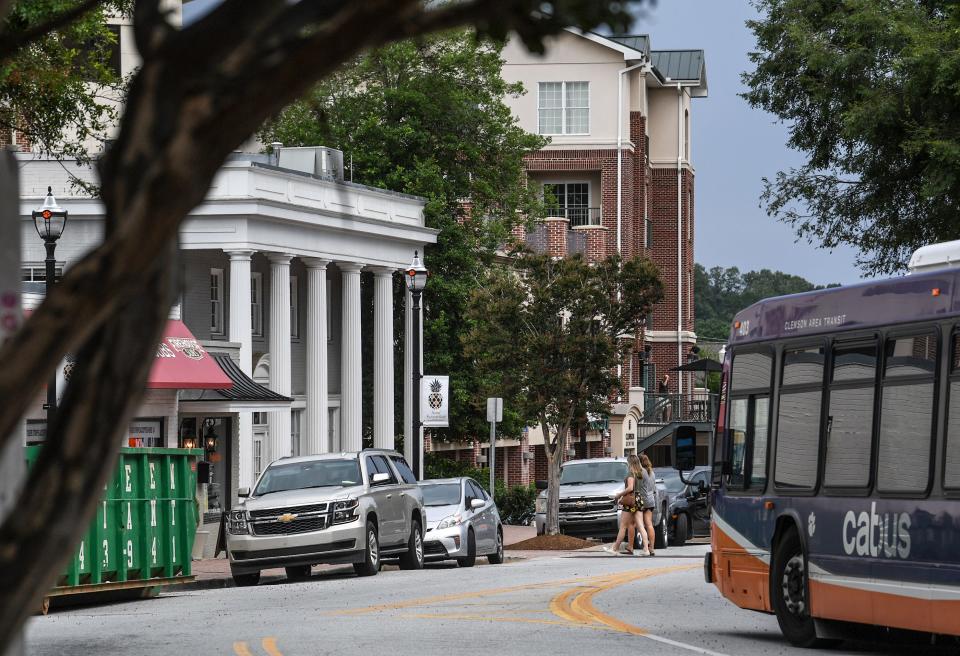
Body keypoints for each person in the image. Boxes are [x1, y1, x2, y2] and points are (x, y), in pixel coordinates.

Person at [603, 458, 647, 556]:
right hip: (638, 500)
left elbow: (630, 488)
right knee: (640, 526)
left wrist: (619, 495)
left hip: (630, 501)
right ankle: (646, 549)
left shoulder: (631, 474)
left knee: (623, 526)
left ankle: (615, 548)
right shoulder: (640, 474)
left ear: (630, 463)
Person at [637, 452, 658, 555]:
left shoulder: (642, 472)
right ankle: (652, 548)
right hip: (651, 500)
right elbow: (654, 488)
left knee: (640, 524)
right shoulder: (652, 473)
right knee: (649, 524)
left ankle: (645, 547)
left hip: (642, 500)